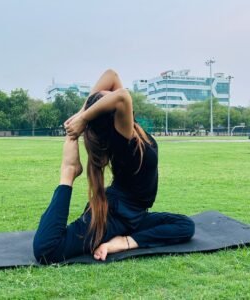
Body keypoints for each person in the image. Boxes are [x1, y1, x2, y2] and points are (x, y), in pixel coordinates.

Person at [33, 69, 195, 263]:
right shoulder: (122, 138)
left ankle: (124, 240)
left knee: (185, 226)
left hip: (135, 215)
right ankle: (69, 172)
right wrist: (85, 119)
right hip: (115, 215)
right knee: (48, 250)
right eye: (104, 100)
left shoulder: (129, 125)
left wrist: (81, 114)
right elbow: (121, 96)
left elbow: (111, 75)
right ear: (113, 117)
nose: (110, 92)